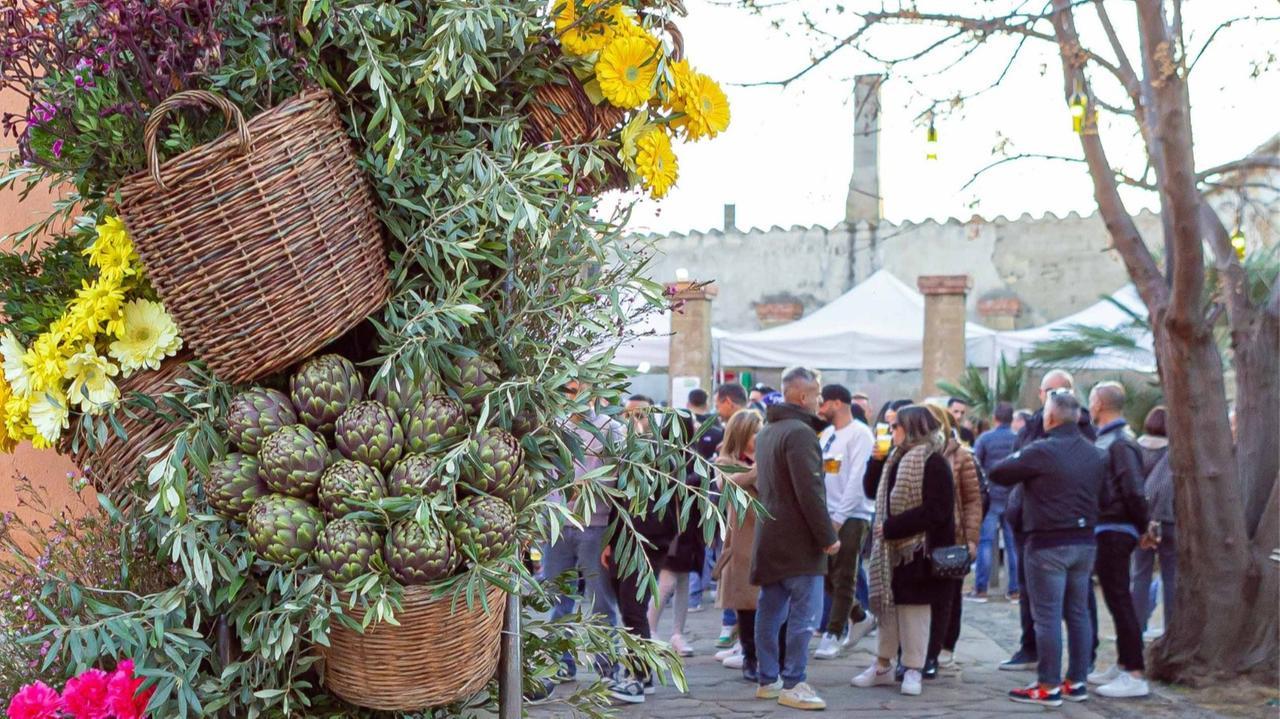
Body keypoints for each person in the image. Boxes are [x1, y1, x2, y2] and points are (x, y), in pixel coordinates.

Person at [990, 390, 1106, 707]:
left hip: (1047, 543)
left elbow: (998, 472)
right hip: (1084, 542)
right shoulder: (1096, 453)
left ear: (1049, 418)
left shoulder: (1041, 450)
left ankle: (1048, 685)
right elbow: (1106, 496)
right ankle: (1076, 681)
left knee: (1047, 616)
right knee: (1078, 613)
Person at [750, 367, 839, 711]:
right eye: (816, 394)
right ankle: (793, 682)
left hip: (770, 535)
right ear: (802, 396)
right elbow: (810, 492)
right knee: (804, 615)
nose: (819, 401)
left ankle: (768, 679)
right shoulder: (800, 433)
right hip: (799, 541)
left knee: (770, 611)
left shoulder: (769, 430)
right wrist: (827, 536)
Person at [851, 406, 955, 697]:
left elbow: (938, 511)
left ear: (912, 429)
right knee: (887, 607)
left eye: (895, 426)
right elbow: (872, 491)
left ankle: (912, 668)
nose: (890, 430)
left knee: (914, 610)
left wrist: (893, 527)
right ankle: (882, 665)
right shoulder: (894, 458)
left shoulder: (933, 461)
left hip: (919, 549)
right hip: (891, 551)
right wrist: (875, 459)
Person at [544, 380, 622, 682]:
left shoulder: (610, 428)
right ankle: (562, 662)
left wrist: (590, 489)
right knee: (557, 599)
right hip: (558, 527)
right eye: (568, 390)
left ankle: (607, 667)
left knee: (601, 601)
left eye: (579, 389)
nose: (572, 395)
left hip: (596, 525)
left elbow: (619, 475)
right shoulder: (553, 428)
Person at [604, 404, 681, 704]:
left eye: (640, 415)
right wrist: (611, 540)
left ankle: (636, 680)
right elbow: (619, 499)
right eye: (629, 415)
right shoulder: (627, 453)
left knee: (634, 609)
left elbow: (667, 504)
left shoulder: (663, 454)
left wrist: (654, 540)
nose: (634, 421)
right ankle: (643, 674)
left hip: (647, 542)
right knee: (628, 608)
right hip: (624, 540)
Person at [1084, 382, 1150, 699]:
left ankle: (1134, 672)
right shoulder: (1112, 439)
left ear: (1098, 403)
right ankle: (1126, 662)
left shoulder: (1119, 442)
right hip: (1111, 525)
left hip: (1116, 527)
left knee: (1119, 598)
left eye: (1092, 399)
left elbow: (1134, 490)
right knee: (1115, 598)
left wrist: (1142, 526)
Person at [813, 384, 877, 660]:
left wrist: (839, 517)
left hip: (852, 515)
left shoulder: (861, 434)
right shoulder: (827, 434)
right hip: (827, 514)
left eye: (823, 403)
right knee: (824, 572)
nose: (820, 409)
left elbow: (857, 480)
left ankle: (834, 632)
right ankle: (859, 616)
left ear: (837, 403)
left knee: (845, 574)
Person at [923, 404, 982, 678]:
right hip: (921, 537)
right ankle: (922, 649)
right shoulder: (915, 453)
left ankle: (944, 648)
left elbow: (972, 500)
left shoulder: (961, 455)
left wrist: (971, 539)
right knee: (923, 596)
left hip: (952, 537)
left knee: (950, 597)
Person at [647, 402, 705, 658]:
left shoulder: (680, 454)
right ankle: (652, 630)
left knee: (680, 581)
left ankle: (674, 633)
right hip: (677, 528)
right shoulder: (672, 455)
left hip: (686, 528)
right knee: (669, 581)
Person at [711, 410, 766, 681]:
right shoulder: (726, 460)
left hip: (770, 540)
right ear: (742, 434)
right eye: (755, 432)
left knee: (771, 605)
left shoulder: (768, 458)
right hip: (743, 542)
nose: (759, 437)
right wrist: (759, 468)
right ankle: (750, 657)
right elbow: (728, 483)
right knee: (747, 607)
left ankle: (767, 657)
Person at [1131, 406, 1175, 639]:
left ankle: (1136, 628)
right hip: (1167, 520)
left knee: (1139, 575)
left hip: (1140, 521)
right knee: (1171, 577)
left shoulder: (1135, 448)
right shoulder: (1173, 451)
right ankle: (1171, 630)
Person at [712, 382, 749, 648]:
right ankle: (735, 633)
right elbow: (726, 482)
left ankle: (743, 642)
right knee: (737, 584)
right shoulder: (725, 461)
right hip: (737, 530)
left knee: (749, 589)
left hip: (754, 532)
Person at [971, 402, 1020, 602]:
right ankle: (1015, 589)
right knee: (1012, 546)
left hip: (991, 498)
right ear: (1012, 418)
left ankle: (981, 588)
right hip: (1012, 498)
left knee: (985, 543)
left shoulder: (985, 439)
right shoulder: (1018, 439)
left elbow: (977, 466)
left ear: (995, 418)